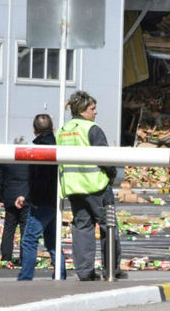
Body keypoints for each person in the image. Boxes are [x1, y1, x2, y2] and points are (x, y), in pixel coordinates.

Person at [56, 91, 126, 281]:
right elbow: (104, 158)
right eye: (92, 109)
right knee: (108, 227)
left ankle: (85, 272)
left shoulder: (63, 130)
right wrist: (111, 174)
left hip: (74, 188)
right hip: (96, 187)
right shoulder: (92, 129)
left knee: (82, 229)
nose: (96, 112)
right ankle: (111, 270)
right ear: (82, 110)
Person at [16, 114, 67, 281]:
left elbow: (40, 179)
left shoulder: (38, 149)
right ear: (52, 128)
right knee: (52, 242)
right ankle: (60, 274)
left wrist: (33, 200)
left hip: (42, 202)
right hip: (55, 199)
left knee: (30, 240)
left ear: (34, 129)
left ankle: (25, 278)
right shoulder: (58, 144)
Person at [0, 136, 30, 262]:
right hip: (26, 197)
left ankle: (6, 257)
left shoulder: (7, 159)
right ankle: (24, 257)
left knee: (9, 229)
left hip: (9, 197)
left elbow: (0, 179)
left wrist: (0, 197)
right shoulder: (30, 160)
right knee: (25, 229)